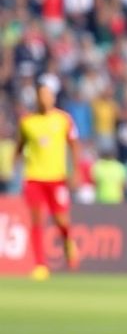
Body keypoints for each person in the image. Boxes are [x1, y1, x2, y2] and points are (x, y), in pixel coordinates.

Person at [16, 77, 80, 279]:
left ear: (53, 97)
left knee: (61, 219)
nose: (45, 99)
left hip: (56, 178)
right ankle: (40, 265)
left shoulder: (63, 120)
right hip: (34, 177)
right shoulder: (27, 122)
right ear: (37, 98)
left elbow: (74, 146)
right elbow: (20, 145)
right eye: (41, 95)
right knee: (37, 220)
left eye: (48, 95)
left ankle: (68, 240)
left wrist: (76, 171)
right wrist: (13, 164)